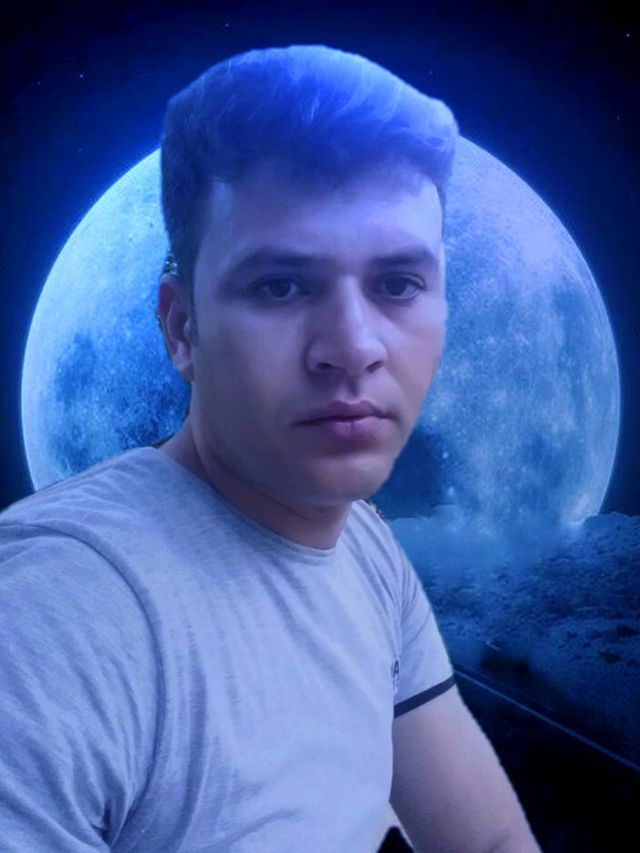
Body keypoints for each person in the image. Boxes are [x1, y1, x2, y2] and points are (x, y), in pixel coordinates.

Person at [0, 45, 541, 852]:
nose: (353, 348)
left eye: (397, 284)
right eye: (281, 285)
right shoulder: (53, 622)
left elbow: (489, 840)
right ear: (182, 327)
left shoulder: (365, 550)